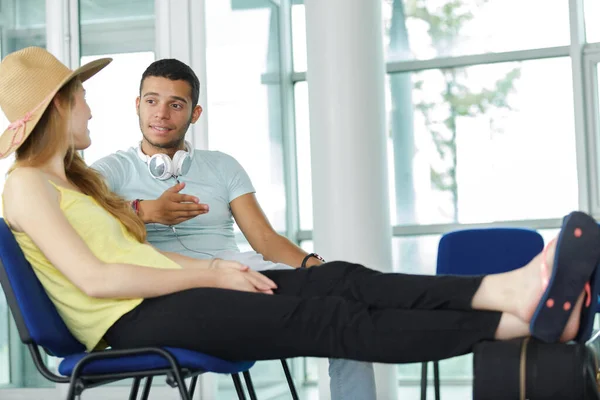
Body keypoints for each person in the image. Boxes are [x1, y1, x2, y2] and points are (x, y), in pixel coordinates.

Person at [2, 47, 600, 398]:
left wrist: (216, 267)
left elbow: (143, 259)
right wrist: (209, 273)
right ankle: (517, 324)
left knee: (340, 280)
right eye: (82, 96)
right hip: (128, 321)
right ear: (59, 104)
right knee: (330, 318)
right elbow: (99, 280)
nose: (90, 106)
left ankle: (511, 290)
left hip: (161, 296)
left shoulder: (76, 180)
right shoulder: (24, 186)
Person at [90, 58, 378, 399]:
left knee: (347, 313)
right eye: (152, 101)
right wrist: (144, 211)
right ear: (137, 105)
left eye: (175, 105)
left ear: (194, 114)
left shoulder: (223, 166)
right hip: (173, 289)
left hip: (239, 275)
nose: (161, 114)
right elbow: (81, 222)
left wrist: (316, 267)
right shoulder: (109, 172)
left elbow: (265, 239)